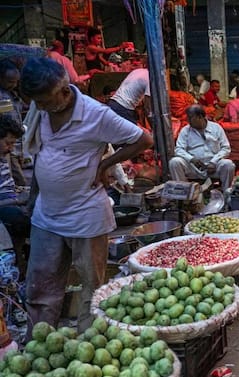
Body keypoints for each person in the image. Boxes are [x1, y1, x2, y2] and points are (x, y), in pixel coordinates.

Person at [20, 57, 153, 336]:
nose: (40, 108)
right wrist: (34, 199)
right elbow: (40, 155)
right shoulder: (40, 110)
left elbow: (143, 140)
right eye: (37, 102)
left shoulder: (97, 115)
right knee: (40, 289)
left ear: (65, 91)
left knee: (92, 291)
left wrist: (104, 165)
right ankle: (38, 345)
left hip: (85, 216)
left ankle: (86, 346)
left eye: (45, 101)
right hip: (46, 216)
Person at [169, 105, 235, 191]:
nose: (188, 121)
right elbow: (178, 149)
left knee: (228, 164)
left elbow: (226, 148)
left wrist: (213, 162)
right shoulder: (185, 130)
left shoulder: (216, 128)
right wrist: (192, 159)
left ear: (200, 117)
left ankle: (226, 194)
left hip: (214, 166)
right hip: (194, 167)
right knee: (174, 162)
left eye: (190, 118)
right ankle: (184, 193)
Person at [0, 115, 30, 275]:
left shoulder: (3, 158)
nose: (11, 148)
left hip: (11, 204)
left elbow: (8, 187)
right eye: (8, 143)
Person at [0, 60, 26, 186]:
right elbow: (7, 118)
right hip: (8, 141)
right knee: (13, 176)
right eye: (10, 82)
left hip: (15, 142)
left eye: (16, 81)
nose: (14, 84)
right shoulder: (2, 97)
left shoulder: (12, 94)